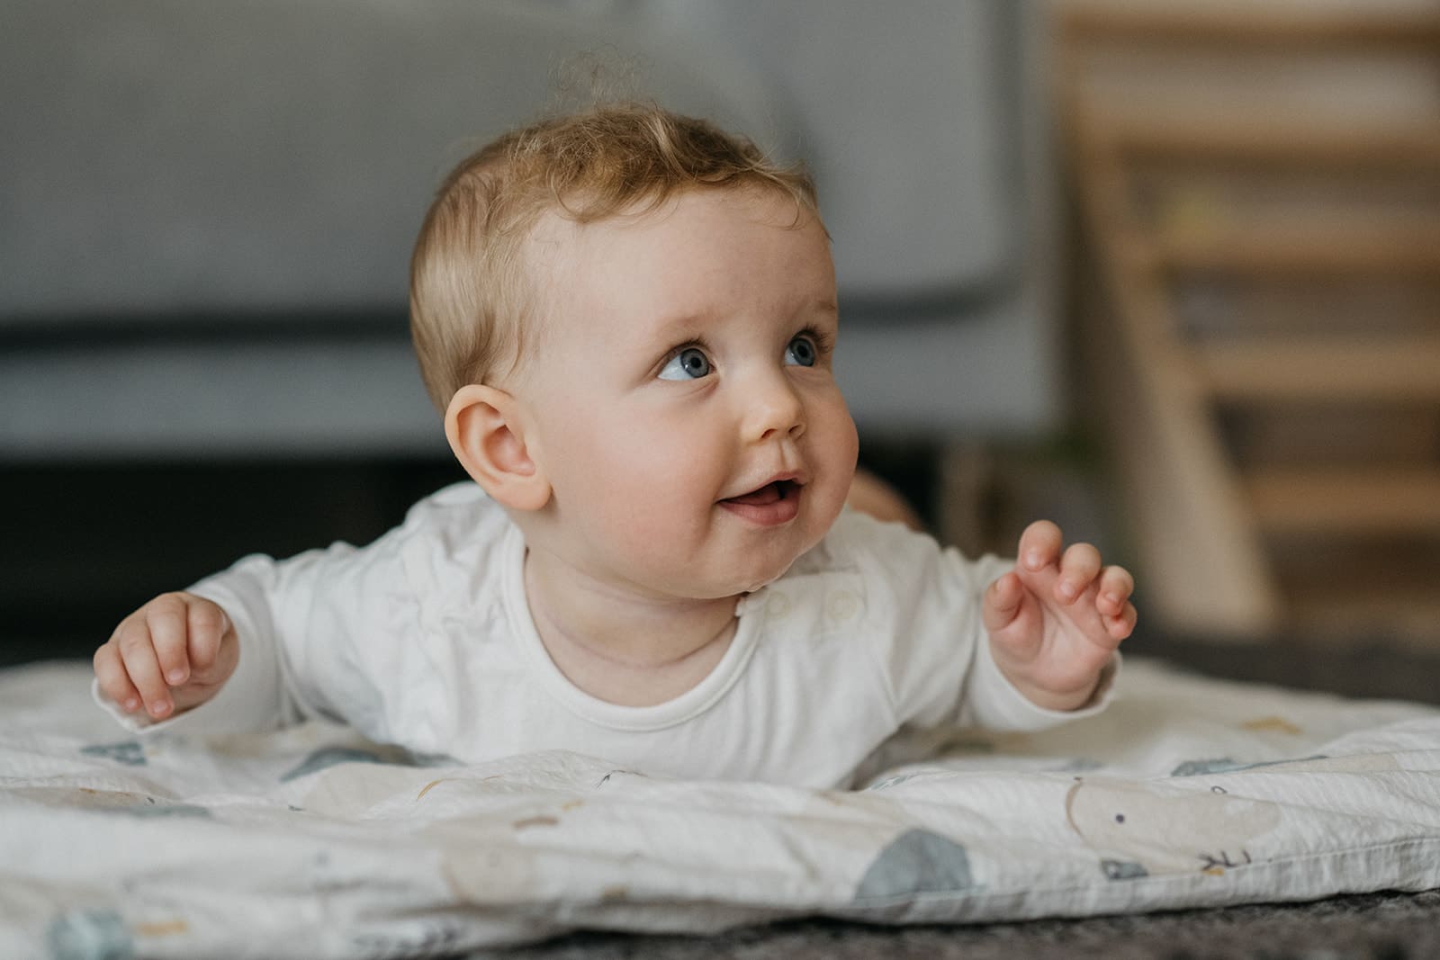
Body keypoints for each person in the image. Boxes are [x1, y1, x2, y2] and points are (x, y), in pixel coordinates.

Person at [91, 104, 1136, 789]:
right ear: (508, 448)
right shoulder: (428, 606)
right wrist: (207, 648)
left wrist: (1037, 665)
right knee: (842, 499)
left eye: (805, 345)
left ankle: (868, 495)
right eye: (691, 362)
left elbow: (970, 671)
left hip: (848, 536)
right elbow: (282, 640)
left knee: (867, 524)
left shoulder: (865, 599)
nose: (780, 402)